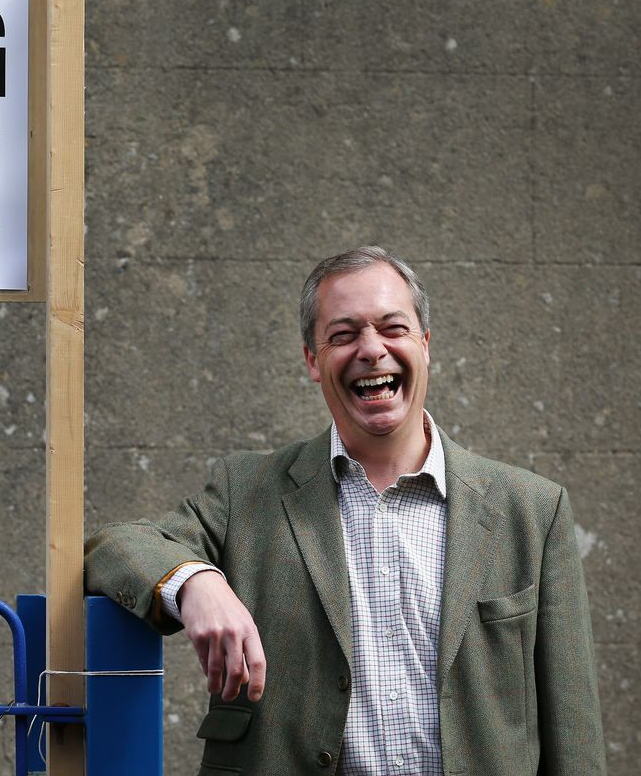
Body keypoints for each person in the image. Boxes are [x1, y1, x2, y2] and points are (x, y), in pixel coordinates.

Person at [85, 246, 605, 775]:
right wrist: (196, 582)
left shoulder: (533, 512)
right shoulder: (246, 493)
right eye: (344, 334)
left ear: (425, 345)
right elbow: (113, 547)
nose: (371, 349)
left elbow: (574, 736)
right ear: (312, 359)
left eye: (392, 328)